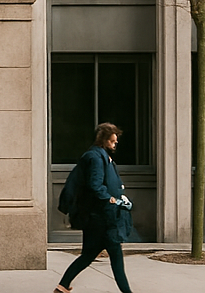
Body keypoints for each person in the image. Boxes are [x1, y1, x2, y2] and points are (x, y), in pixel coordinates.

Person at [55, 122, 134, 293]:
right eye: (113, 140)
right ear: (103, 139)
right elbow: (96, 186)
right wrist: (113, 200)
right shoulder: (96, 158)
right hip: (103, 218)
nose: (116, 143)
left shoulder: (101, 156)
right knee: (116, 257)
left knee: (88, 255)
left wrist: (120, 196)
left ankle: (62, 286)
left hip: (100, 217)